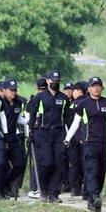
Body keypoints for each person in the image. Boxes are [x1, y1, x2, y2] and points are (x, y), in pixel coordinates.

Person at [63, 77, 106, 211]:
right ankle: (94, 195)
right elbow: (75, 123)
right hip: (89, 143)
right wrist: (67, 139)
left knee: (101, 172)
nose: (96, 88)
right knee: (92, 170)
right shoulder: (83, 104)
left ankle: (93, 201)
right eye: (93, 86)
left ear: (102, 88)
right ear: (89, 89)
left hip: (104, 143)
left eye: (98, 86)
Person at [27, 73, 67, 203]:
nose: (56, 82)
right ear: (48, 81)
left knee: (59, 163)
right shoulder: (39, 97)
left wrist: (68, 136)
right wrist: (31, 131)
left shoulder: (63, 98)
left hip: (59, 133)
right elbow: (32, 115)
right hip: (43, 134)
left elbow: (67, 117)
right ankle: (43, 189)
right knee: (47, 162)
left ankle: (54, 193)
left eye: (58, 80)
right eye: (53, 80)